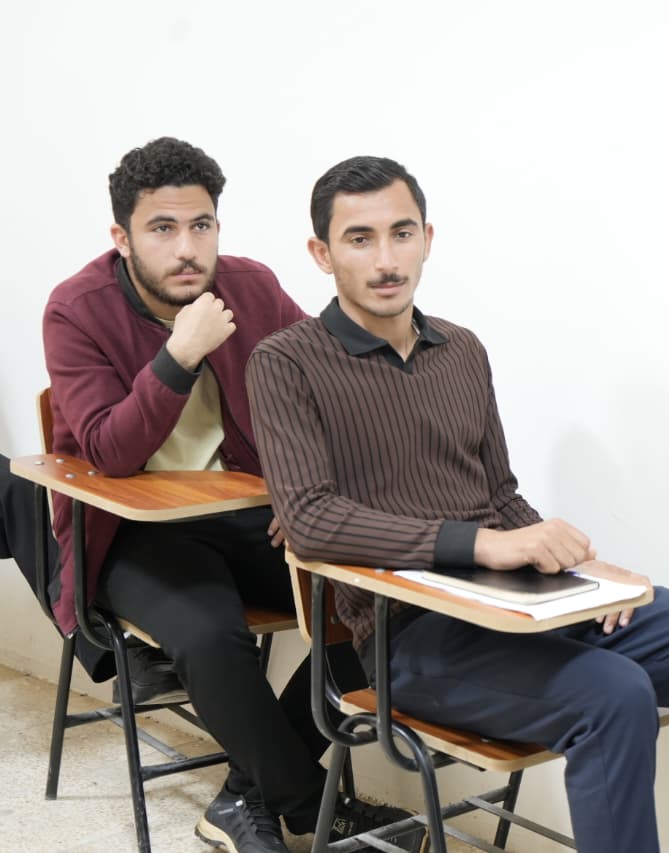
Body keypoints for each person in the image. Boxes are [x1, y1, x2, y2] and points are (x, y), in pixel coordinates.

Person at [245, 155, 669, 853]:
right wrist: (484, 545)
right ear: (321, 254)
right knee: (614, 694)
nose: (386, 260)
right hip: (411, 639)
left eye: (402, 233)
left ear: (427, 238)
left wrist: (584, 572)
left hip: (528, 603)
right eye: (360, 239)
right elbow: (309, 519)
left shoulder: (461, 349)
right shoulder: (285, 362)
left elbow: (499, 497)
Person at [42, 138, 421, 853]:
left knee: (385, 600)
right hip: (131, 533)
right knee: (211, 635)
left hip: (246, 515)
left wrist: (299, 491)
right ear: (122, 238)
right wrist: (179, 353)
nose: (187, 249)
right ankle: (310, 805)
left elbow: (330, 394)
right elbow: (108, 452)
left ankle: (245, 795)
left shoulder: (249, 287)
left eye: (202, 225)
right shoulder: (75, 309)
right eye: (162, 229)